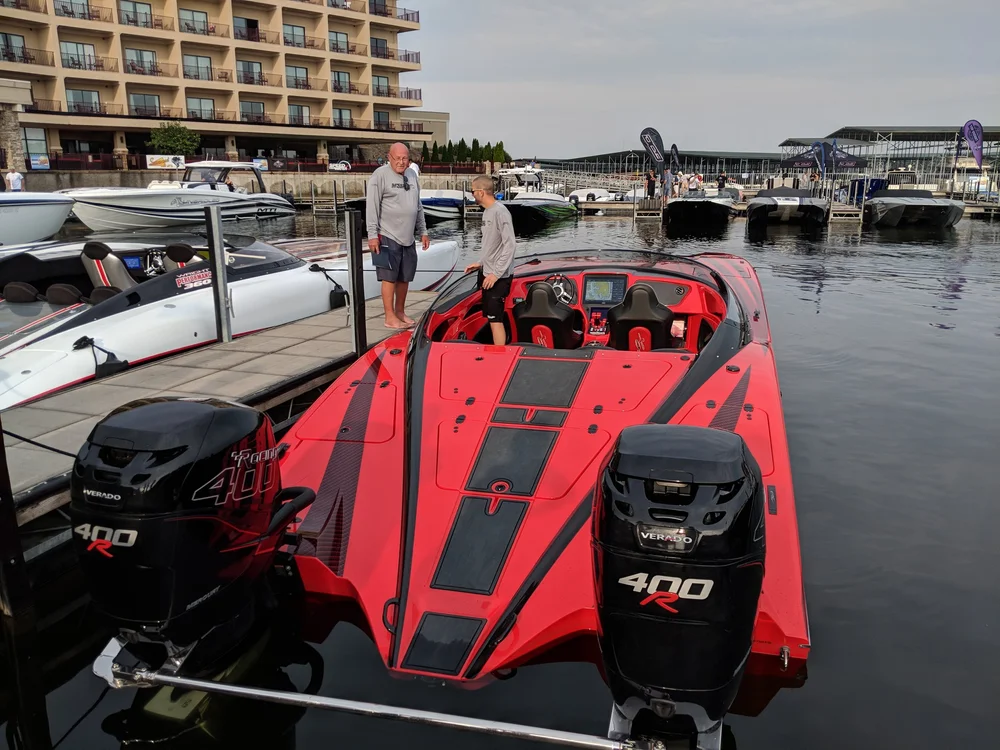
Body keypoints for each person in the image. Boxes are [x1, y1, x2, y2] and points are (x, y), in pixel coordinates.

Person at [366, 142, 430, 329]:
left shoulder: (411, 175)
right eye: (398, 158)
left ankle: (400, 311)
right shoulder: (380, 176)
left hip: (408, 236)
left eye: (405, 158)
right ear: (389, 157)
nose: (401, 162)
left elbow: (417, 206)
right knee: (389, 277)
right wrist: (372, 235)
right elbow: (372, 207)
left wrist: (423, 231)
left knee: (405, 277)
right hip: (387, 235)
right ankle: (389, 316)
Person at [463, 175, 515, 346]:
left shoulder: (500, 212)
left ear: (481, 192)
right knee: (490, 318)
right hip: (487, 272)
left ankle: (499, 358)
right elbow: (492, 244)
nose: (472, 195)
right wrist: (481, 262)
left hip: (497, 277)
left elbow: (510, 246)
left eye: (472, 191)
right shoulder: (487, 213)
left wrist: (496, 274)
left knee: (495, 320)